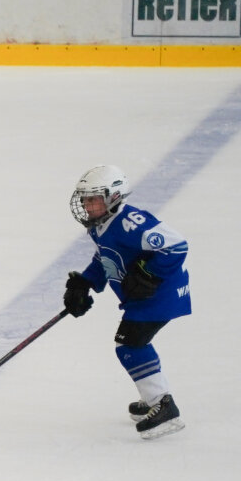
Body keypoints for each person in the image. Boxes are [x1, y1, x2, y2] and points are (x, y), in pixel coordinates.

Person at [62, 165, 190, 439]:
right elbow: (106, 258)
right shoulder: (100, 225)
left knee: (130, 345)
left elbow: (176, 245)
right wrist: (85, 283)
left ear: (114, 196)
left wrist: (148, 274)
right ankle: (153, 395)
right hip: (144, 298)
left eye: (94, 198)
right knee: (134, 343)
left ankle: (163, 406)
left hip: (160, 295)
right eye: (85, 199)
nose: (87, 205)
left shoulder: (131, 222)